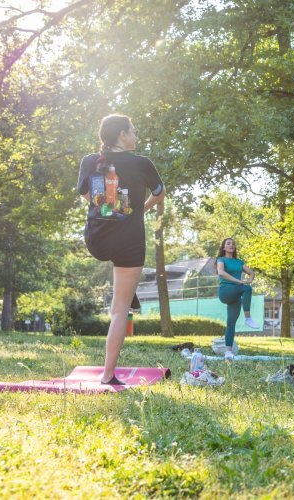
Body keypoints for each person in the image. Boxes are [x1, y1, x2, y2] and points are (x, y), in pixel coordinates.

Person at [77, 114, 165, 385]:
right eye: (134, 131)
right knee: (119, 309)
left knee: (121, 295)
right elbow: (160, 193)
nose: (136, 136)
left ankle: (129, 288)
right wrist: (139, 210)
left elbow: (83, 193)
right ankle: (107, 375)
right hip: (129, 242)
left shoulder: (90, 160)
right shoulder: (142, 163)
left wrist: (107, 208)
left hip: (98, 241)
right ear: (122, 135)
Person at [216, 237, 261, 360]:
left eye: (233, 244)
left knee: (231, 323)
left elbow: (252, 273)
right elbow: (221, 273)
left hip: (236, 294)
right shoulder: (221, 259)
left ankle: (228, 351)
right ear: (224, 247)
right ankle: (248, 318)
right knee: (246, 289)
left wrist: (250, 279)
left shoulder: (239, 262)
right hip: (225, 291)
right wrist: (238, 281)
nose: (231, 245)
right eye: (228, 243)